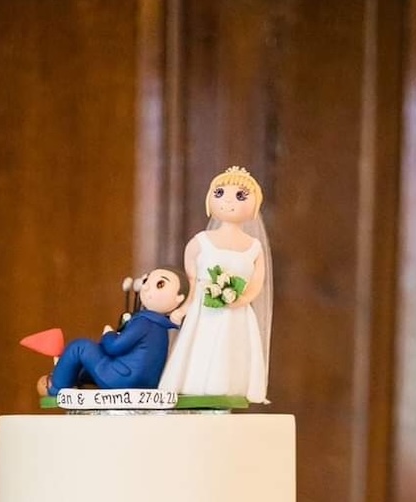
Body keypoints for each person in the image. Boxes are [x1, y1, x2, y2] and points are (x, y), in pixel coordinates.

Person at [159, 166, 270, 403]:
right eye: (220, 193)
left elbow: (257, 282)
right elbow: (192, 279)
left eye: (240, 196)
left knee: (233, 350)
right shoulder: (201, 242)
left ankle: (230, 388)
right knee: (203, 347)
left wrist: (240, 299)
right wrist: (185, 307)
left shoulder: (254, 247)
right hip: (205, 311)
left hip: (236, 313)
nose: (229, 201)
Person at [38, 269, 186, 396]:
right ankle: (74, 377)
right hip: (142, 382)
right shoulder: (160, 328)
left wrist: (108, 334)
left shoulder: (144, 322)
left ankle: (55, 388)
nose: (147, 288)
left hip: (123, 379)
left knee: (79, 347)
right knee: (90, 361)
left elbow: (114, 347)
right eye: (147, 280)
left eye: (160, 284)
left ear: (179, 298)